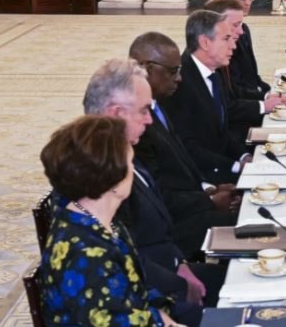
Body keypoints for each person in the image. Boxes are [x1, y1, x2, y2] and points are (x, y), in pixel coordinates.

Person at [84, 59, 224, 325]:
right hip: (152, 294)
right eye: (144, 110)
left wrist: (180, 264)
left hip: (167, 270)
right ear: (116, 113)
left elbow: (156, 228)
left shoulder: (123, 153)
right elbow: (128, 258)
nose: (150, 119)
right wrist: (180, 283)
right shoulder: (96, 174)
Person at [39, 115, 180, 327]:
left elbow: (134, 294)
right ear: (114, 179)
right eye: (130, 163)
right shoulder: (84, 252)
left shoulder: (105, 223)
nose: (134, 170)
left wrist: (160, 315)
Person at [129, 32, 240, 255]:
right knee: (251, 220)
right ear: (147, 69)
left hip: (190, 205)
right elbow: (158, 195)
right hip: (174, 228)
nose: (179, 78)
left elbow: (182, 167)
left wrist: (210, 189)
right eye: (173, 71)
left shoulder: (158, 105)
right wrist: (209, 202)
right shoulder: (136, 126)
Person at [161, 10, 251, 184]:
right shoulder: (181, 83)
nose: (233, 45)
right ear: (205, 42)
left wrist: (244, 155)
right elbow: (187, 146)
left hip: (221, 165)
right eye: (226, 39)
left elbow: (221, 132)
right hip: (202, 178)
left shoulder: (212, 73)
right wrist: (236, 166)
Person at [203, 0, 286, 136]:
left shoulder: (219, 54)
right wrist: (263, 106)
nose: (241, 31)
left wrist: (266, 97)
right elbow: (225, 110)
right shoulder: (206, 63)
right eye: (236, 25)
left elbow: (235, 92)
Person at [219, 0, 275, 99]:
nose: (248, 2)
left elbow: (251, 75)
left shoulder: (244, 29)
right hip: (243, 104)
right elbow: (234, 87)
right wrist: (264, 98)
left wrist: (269, 90)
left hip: (254, 97)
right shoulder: (220, 36)